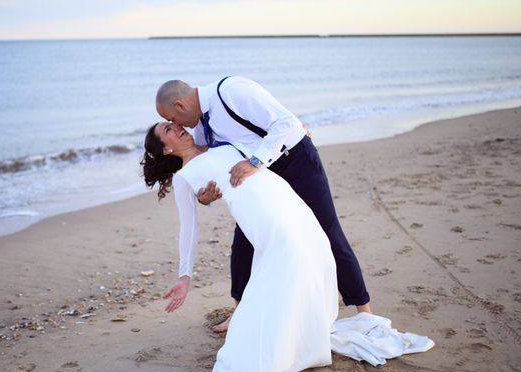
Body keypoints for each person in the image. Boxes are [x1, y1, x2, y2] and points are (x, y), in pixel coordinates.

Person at [155, 77, 371, 332]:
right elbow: (208, 167)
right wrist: (205, 198)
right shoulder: (202, 128)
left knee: (328, 231)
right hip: (262, 181)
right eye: (171, 125)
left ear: (180, 105)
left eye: (173, 119)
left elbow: (286, 123)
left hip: (296, 162)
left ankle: (363, 310)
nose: (177, 125)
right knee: (243, 245)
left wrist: (255, 161)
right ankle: (240, 311)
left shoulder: (233, 91)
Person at [141, 121, 339, 372]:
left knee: (315, 248)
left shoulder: (213, 140)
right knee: (285, 259)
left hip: (280, 195)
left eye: (173, 123)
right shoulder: (184, 178)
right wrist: (184, 277)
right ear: (166, 148)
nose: (176, 127)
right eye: (168, 131)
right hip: (259, 213)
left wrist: (293, 129)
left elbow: (256, 132)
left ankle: (303, 336)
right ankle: (275, 348)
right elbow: (188, 227)